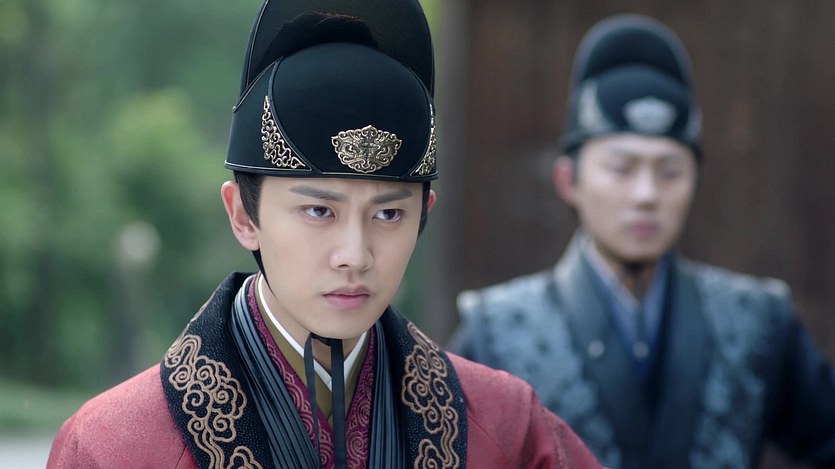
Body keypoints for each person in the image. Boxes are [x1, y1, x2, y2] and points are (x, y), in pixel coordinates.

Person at [46, 1, 601, 468]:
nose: (354, 256)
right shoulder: (113, 447)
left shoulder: (508, 430)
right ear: (243, 216)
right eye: (318, 211)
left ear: (424, 215)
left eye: (389, 215)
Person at [448, 13, 835, 469]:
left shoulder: (757, 321)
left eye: (669, 171)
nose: (647, 194)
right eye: (621, 168)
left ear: (695, 180)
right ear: (568, 180)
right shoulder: (497, 332)